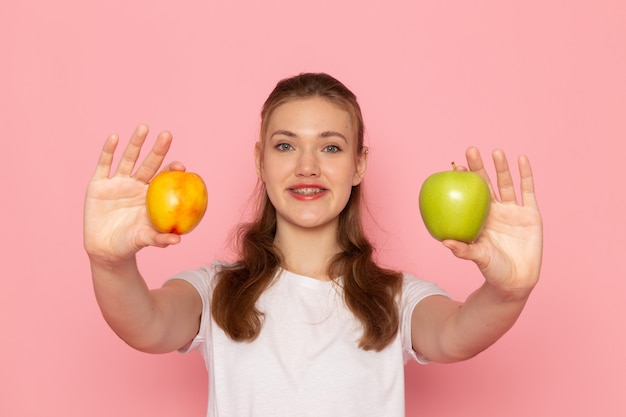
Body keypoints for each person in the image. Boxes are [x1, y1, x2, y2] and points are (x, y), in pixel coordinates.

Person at [83, 73, 543, 417]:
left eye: (331, 147)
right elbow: (146, 325)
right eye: (284, 146)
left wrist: (508, 292)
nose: (307, 167)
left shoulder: (397, 298)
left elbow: (457, 334)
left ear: (360, 165)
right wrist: (110, 264)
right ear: (259, 161)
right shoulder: (214, 289)